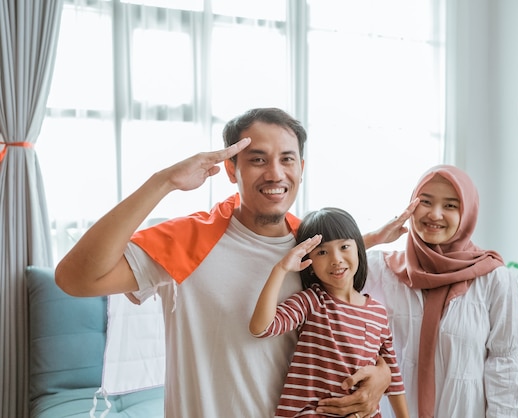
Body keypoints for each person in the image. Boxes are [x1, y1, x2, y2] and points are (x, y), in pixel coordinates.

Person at [55, 108, 390, 418]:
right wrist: (164, 182)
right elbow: (76, 278)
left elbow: (352, 326)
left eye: (286, 159)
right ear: (232, 169)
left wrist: (382, 374)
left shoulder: (315, 251)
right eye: (258, 159)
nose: (275, 173)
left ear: (301, 168)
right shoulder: (190, 238)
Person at [363, 165, 518, 418]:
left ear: (468, 213)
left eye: (450, 206)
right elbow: (312, 269)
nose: (435, 214)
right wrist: (374, 237)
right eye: (425, 202)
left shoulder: (494, 280)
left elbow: (504, 367)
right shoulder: (379, 270)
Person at [249, 207, 410, 418]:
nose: (336, 259)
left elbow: (394, 379)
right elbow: (260, 328)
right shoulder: (312, 301)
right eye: (322, 252)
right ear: (310, 264)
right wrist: (281, 269)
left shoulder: (378, 313)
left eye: (344, 247)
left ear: (359, 250)